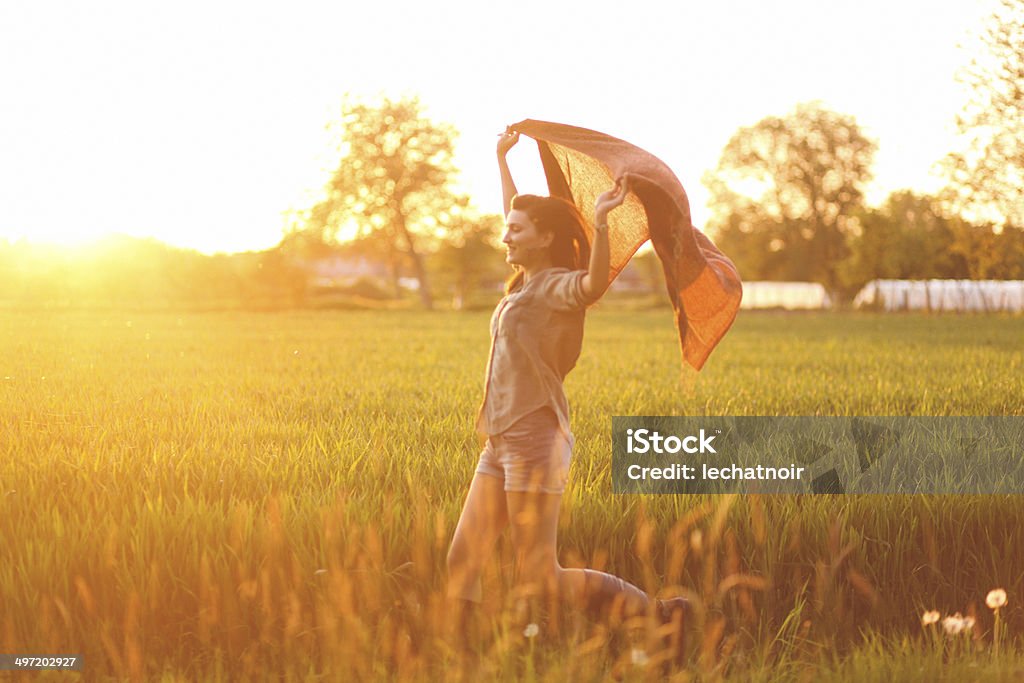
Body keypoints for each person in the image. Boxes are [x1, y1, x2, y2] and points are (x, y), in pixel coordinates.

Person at [444, 128, 689, 653]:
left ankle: (660, 617)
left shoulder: (557, 286)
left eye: (516, 230)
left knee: (538, 573)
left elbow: (594, 285)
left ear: (545, 239)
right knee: (463, 559)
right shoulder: (526, 283)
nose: (506, 236)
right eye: (507, 229)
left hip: (535, 438)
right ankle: (458, 660)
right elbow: (513, 211)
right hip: (500, 442)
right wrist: (501, 161)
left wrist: (600, 223)